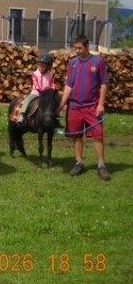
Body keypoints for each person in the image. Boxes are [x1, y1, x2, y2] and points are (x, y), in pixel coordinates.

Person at [57, 35, 110, 180]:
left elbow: (104, 83)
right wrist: (62, 104)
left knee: (98, 135)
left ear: (87, 47)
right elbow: (69, 85)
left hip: (93, 106)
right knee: (76, 136)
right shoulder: (73, 63)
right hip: (74, 106)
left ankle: (101, 165)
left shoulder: (98, 62)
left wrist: (101, 104)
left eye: (80, 48)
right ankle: (79, 162)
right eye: (75, 48)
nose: (77, 51)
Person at [17, 52, 55, 125]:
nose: (41, 68)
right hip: (36, 93)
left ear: (48, 67)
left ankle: (56, 116)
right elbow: (36, 85)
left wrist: (52, 90)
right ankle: (22, 114)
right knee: (28, 99)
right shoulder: (35, 74)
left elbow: (52, 84)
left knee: (54, 101)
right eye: (40, 66)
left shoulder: (50, 75)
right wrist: (42, 91)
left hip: (47, 95)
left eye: (43, 66)